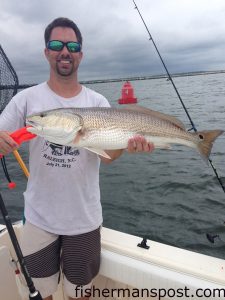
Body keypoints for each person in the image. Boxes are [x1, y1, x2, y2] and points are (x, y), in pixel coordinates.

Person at [0, 17, 154, 300]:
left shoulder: (97, 103)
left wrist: (129, 146)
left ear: (80, 54)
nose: (64, 51)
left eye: (72, 46)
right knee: (42, 293)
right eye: (56, 44)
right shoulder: (26, 100)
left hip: (84, 219)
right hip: (38, 219)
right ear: (46, 52)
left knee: (79, 294)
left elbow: (108, 157)